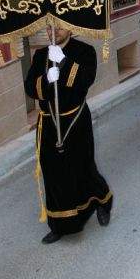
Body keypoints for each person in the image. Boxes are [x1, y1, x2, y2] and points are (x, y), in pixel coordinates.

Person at [24, 27, 112, 244]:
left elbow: (86, 79)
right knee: (53, 171)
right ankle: (60, 224)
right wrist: (46, 80)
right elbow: (29, 88)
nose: (53, 30)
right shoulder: (40, 55)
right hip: (49, 122)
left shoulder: (85, 51)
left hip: (75, 119)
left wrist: (63, 63)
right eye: (49, 26)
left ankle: (101, 201)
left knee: (82, 167)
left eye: (59, 26)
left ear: (70, 28)